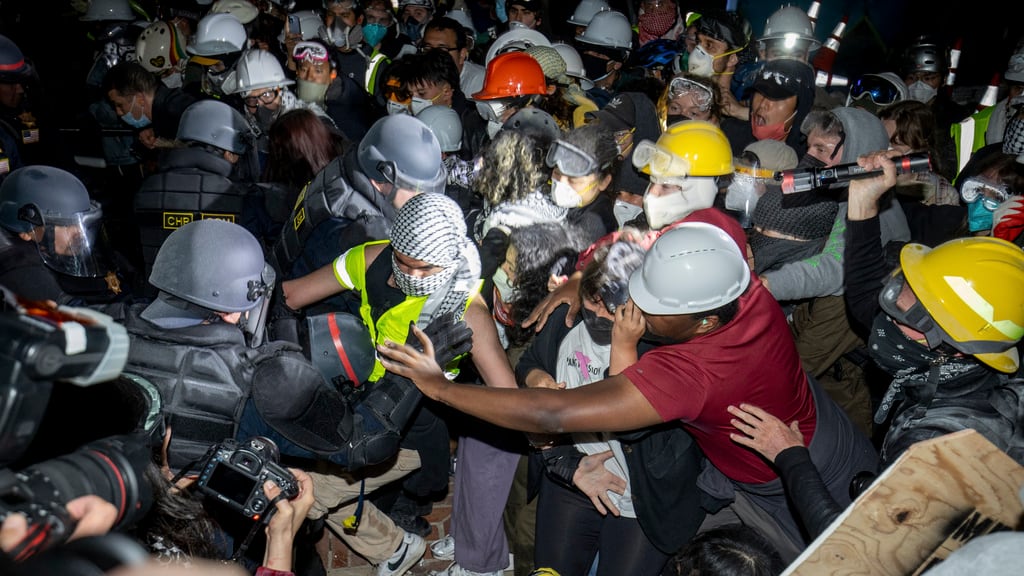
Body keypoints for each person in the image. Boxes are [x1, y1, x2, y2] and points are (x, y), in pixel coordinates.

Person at [378, 220, 879, 563]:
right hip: (817, 419)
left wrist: (438, 387)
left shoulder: (691, 373)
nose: (633, 307)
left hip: (782, 479)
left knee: (844, 558)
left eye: (653, 305)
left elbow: (551, 414)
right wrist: (582, 276)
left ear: (703, 321)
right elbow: (636, 235)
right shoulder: (723, 262)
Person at [277, 192, 520, 576]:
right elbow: (291, 295)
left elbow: (510, 399)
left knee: (303, 490)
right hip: (356, 400)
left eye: (425, 269)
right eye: (403, 262)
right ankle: (393, 547)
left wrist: (440, 383)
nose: (411, 276)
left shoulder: (466, 309)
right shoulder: (370, 258)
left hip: (413, 429)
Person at [841, 150, 1024, 467]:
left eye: (995, 196)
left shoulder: (936, 441)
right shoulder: (947, 227)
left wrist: (793, 458)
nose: (891, 308)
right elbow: (866, 300)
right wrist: (863, 202)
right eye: (977, 188)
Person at [133, 99, 256, 292]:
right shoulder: (240, 195)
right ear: (229, 151)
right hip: (220, 303)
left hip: (157, 300)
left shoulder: (147, 189)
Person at [0, 165, 132, 304]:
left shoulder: (82, 255)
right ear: (27, 231)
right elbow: (70, 311)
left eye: (83, 225)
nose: (80, 233)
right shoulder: (20, 270)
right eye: (68, 225)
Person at [104, 60, 198, 154]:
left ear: (140, 99)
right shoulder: (168, 108)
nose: (118, 112)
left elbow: (203, 146)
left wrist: (171, 144)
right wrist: (157, 132)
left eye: (119, 105)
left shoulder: (180, 110)